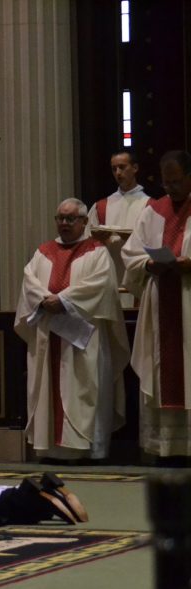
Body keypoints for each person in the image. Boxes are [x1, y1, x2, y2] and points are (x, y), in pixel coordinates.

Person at [15, 198, 129, 463]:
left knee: (84, 390)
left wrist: (64, 300)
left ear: (84, 222)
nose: (64, 223)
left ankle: (87, 449)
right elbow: (29, 282)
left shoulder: (96, 251)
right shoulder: (42, 252)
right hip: (48, 336)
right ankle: (50, 448)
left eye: (70, 219)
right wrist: (45, 299)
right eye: (60, 218)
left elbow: (101, 286)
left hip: (82, 340)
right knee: (48, 390)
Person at [121, 150, 191, 464]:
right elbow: (132, 253)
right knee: (163, 370)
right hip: (161, 298)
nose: (171, 189)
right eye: (166, 182)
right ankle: (166, 449)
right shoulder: (154, 210)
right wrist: (150, 264)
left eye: (176, 182)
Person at [87, 151, 150, 307]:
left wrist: (133, 240)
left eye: (122, 167)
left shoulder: (151, 205)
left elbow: (158, 242)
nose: (118, 173)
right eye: (114, 168)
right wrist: (98, 240)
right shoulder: (101, 206)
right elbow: (85, 244)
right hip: (108, 274)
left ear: (135, 168)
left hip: (138, 278)